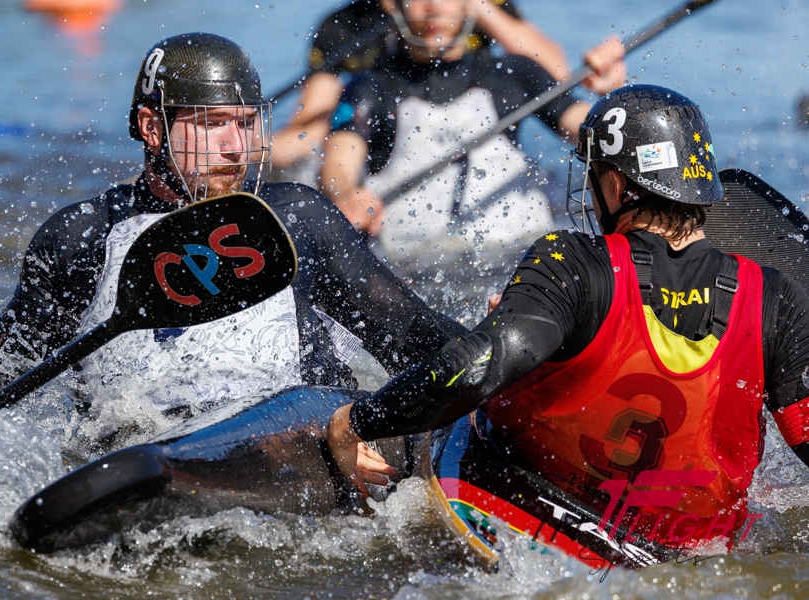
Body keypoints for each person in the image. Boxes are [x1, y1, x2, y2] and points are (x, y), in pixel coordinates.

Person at [326, 84, 809, 548]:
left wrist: (354, 423)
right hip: (694, 551)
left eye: (595, 175)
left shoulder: (572, 262)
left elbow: (473, 369)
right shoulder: (778, 297)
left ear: (616, 186)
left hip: (539, 518)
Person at [0, 32, 465, 436]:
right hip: (140, 460)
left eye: (245, 122)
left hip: (298, 439)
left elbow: (416, 340)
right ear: (152, 128)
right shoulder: (82, 237)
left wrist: (498, 349)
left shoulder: (298, 219)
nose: (235, 146)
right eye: (211, 124)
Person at [317, 0, 627, 319]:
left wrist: (613, 101)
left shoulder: (515, 73)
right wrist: (346, 193)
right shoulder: (369, 87)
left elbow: (592, 132)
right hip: (418, 273)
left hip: (523, 263)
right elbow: (339, 160)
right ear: (394, 6)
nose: (434, 7)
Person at [272, 0, 574, 175]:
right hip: (384, 140)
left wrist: (470, 6)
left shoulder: (473, 7)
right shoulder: (344, 27)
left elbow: (555, 74)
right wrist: (257, 148)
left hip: (476, 126)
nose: (432, 9)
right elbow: (311, 126)